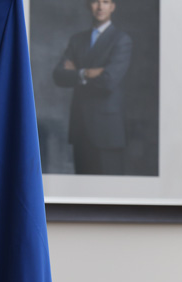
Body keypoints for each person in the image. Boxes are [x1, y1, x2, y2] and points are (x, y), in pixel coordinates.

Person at [52, 0, 132, 175]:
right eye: (96, 1)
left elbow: (108, 81)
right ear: (89, 5)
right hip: (80, 127)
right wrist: (86, 73)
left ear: (113, 6)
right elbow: (58, 75)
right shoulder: (77, 40)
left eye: (106, 2)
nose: (100, 7)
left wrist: (76, 73)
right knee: (82, 187)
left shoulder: (121, 40)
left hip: (108, 131)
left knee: (109, 187)